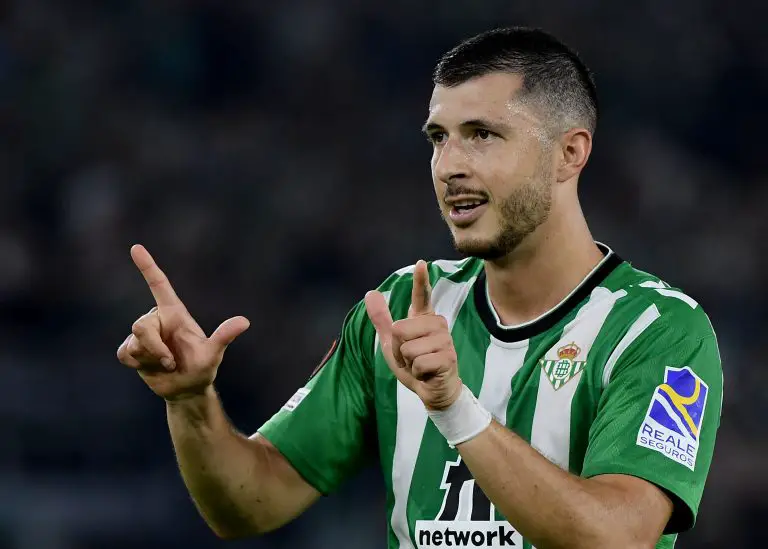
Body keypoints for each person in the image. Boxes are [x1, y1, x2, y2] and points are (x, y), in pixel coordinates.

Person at [117, 26, 722, 549]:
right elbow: (249, 503)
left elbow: (620, 537)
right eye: (439, 137)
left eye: (483, 134)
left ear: (569, 153)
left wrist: (454, 408)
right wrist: (191, 400)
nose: (449, 165)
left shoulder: (660, 330)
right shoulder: (398, 311)